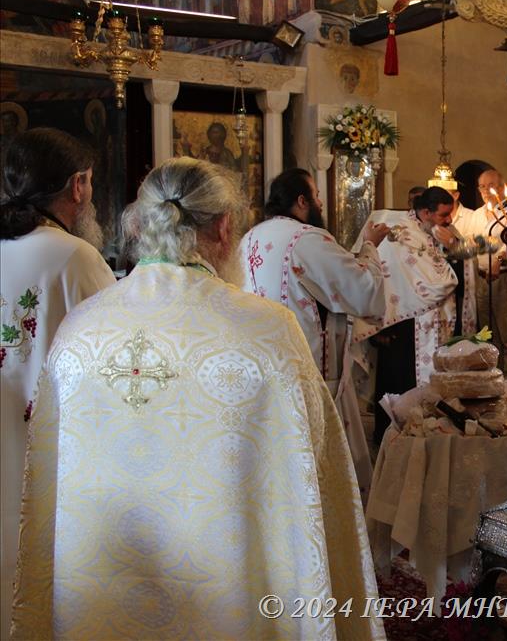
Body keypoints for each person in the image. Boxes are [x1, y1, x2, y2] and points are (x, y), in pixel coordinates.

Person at [10, 157, 383, 640]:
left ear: (140, 225)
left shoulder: (81, 328)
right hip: (232, 584)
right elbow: (314, 468)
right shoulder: (266, 328)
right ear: (225, 227)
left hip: (101, 590)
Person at [0, 128, 115, 641]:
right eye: (88, 181)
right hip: (48, 451)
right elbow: (116, 351)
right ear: (77, 187)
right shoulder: (75, 256)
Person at [239, 168, 389, 491]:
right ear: (302, 200)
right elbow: (363, 291)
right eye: (318, 196)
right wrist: (370, 247)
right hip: (310, 384)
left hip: (260, 380)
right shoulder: (306, 239)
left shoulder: (248, 239)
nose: (322, 202)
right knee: (323, 483)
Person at [350, 187, 475, 444]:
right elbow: (435, 281)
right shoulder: (398, 231)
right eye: (443, 215)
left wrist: (452, 247)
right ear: (426, 212)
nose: (449, 221)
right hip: (398, 324)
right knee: (395, 380)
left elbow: (457, 272)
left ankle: (421, 433)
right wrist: (382, 326)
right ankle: (392, 438)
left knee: (411, 379)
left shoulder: (435, 232)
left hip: (428, 326)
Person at [454, 159, 507, 370]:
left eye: (490, 186)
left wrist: (498, 258)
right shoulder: (478, 214)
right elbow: (470, 242)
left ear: (501, 186)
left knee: (505, 329)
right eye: (481, 186)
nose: (485, 191)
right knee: (484, 329)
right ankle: (488, 371)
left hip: (502, 277)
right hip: (479, 278)